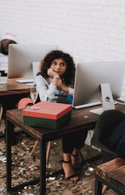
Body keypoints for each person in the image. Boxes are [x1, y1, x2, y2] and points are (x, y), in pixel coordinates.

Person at [35, 50, 87, 182]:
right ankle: (66, 162)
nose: (58, 67)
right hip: (47, 113)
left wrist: (63, 87)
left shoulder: (69, 78)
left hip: (67, 111)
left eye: (62, 64)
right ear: (48, 65)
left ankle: (75, 155)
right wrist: (54, 81)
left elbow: (80, 95)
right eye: (54, 63)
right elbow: (46, 100)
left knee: (83, 123)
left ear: (67, 66)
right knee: (69, 125)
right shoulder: (40, 78)